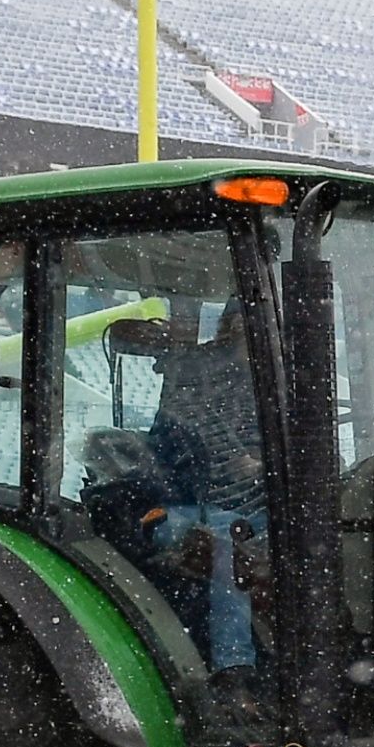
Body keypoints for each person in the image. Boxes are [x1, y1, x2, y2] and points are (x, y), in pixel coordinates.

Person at [149, 305, 273, 716]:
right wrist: (257, 462)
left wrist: (264, 466)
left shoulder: (273, 387)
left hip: (256, 512)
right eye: (238, 329)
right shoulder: (203, 386)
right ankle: (234, 674)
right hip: (193, 508)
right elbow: (185, 454)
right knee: (228, 551)